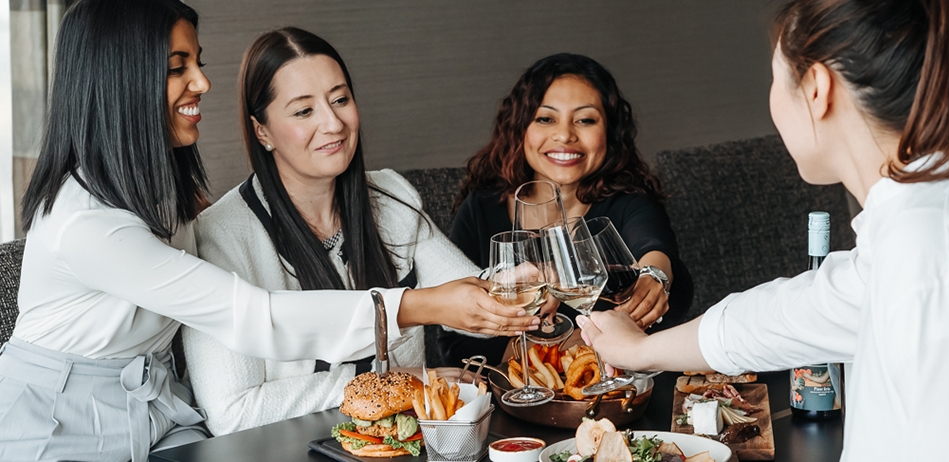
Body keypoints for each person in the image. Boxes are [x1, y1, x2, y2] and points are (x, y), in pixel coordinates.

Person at [0, 2, 536, 461]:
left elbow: (476, 295)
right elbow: (253, 318)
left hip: (159, 405)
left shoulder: (160, 185)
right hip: (58, 421)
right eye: (176, 67)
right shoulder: (87, 223)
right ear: (117, 80)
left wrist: (529, 290)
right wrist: (414, 307)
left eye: (198, 63)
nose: (203, 83)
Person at [581, 0, 949, 460]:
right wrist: (639, 350)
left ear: (816, 87)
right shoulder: (917, 228)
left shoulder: (940, 263)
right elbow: (781, 317)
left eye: (775, 78)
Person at [180, 27, 489, 435]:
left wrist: (515, 289)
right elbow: (233, 412)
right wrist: (406, 382)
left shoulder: (392, 197)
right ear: (263, 131)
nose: (333, 124)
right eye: (304, 111)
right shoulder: (222, 235)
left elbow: (465, 300)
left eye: (340, 100)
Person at [437, 53, 695, 367]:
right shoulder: (481, 208)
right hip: (514, 396)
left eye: (585, 120)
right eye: (546, 119)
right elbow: (455, 338)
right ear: (520, 129)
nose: (565, 135)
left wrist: (654, 277)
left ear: (609, 133)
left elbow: (654, 247)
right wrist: (554, 357)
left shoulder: (628, 199)